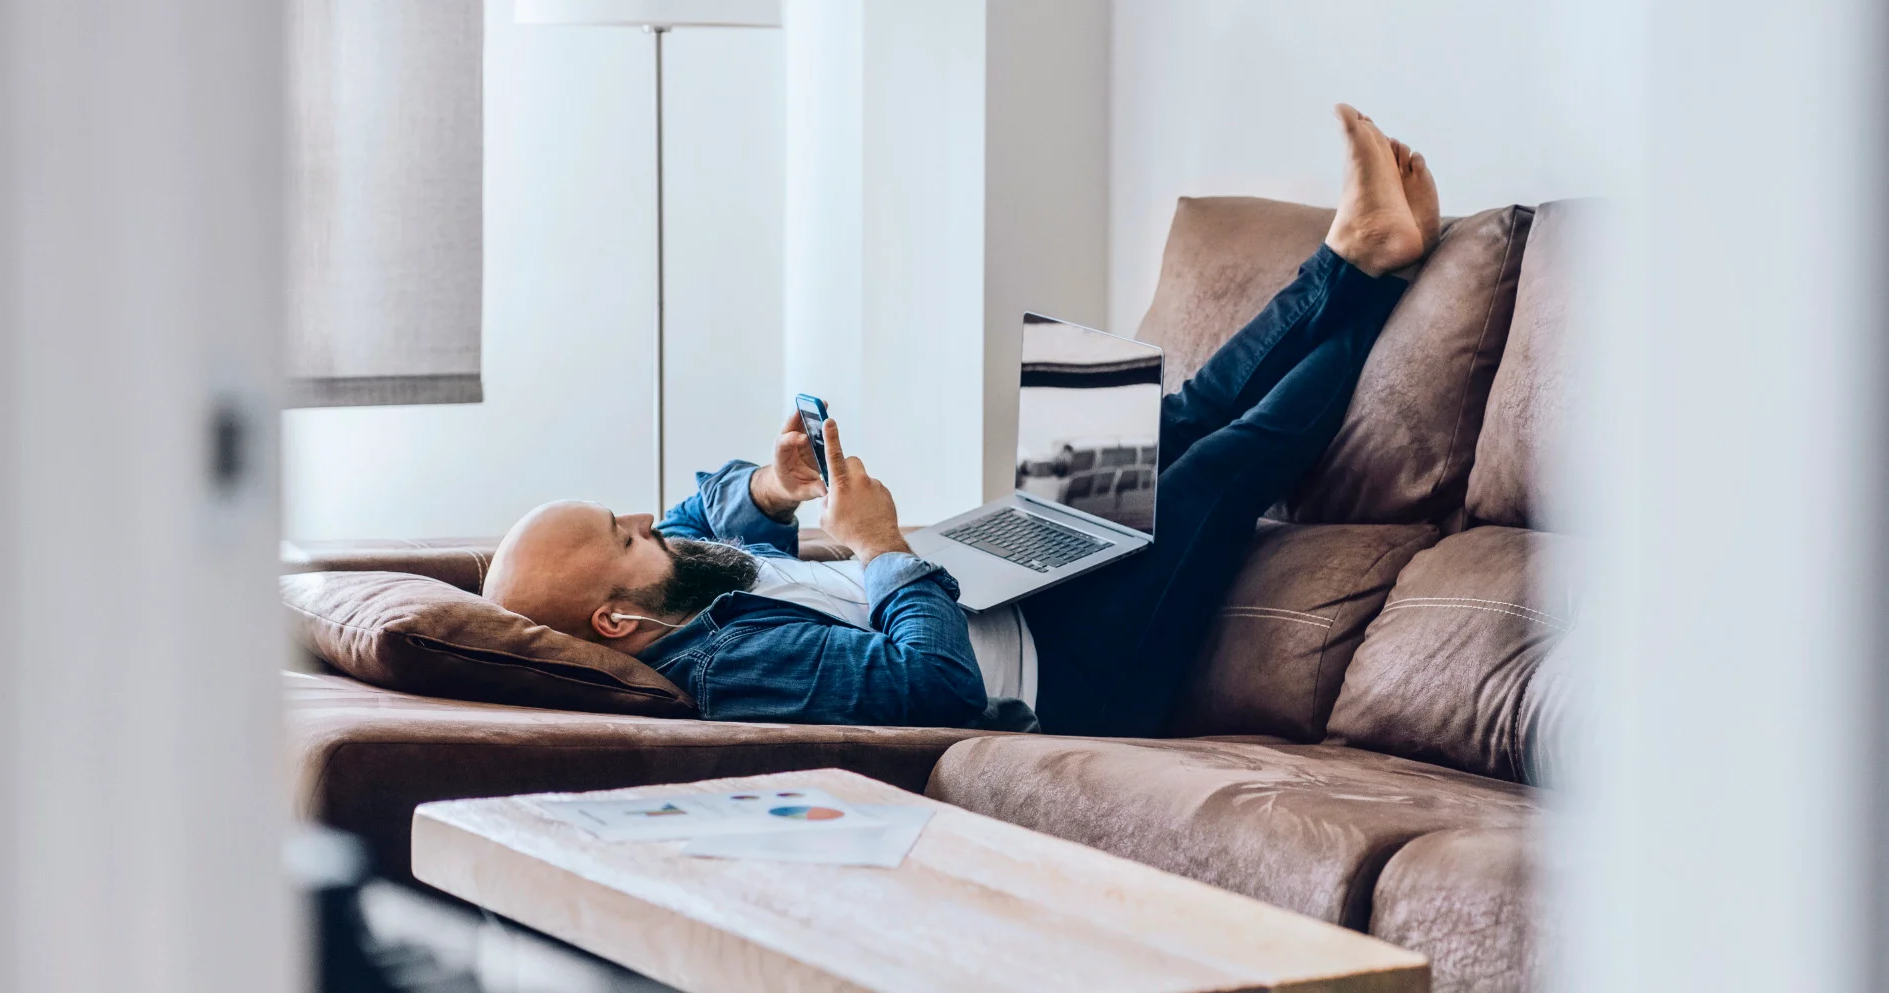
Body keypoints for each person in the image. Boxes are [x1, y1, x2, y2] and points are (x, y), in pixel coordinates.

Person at [482, 104, 1438, 737]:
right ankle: (1382, 277)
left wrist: (777, 486)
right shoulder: (732, 667)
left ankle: (1351, 256)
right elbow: (935, 690)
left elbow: (699, 517)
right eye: (623, 535)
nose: (646, 520)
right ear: (615, 618)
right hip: (1064, 677)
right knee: (1218, 466)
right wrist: (881, 546)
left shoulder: (677, 586)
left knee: (1169, 421)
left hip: (1009, 578)